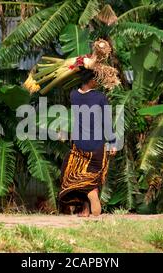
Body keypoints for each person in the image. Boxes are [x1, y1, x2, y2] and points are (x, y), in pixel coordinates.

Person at [58, 69, 117, 217]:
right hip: (96, 145)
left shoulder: (73, 95)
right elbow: (107, 122)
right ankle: (92, 194)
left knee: (73, 173)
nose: (98, 82)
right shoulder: (100, 97)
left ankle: (85, 209)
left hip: (79, 144)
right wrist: (112, 142)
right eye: (96, 79)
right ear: (91, 81)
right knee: (92, 176)